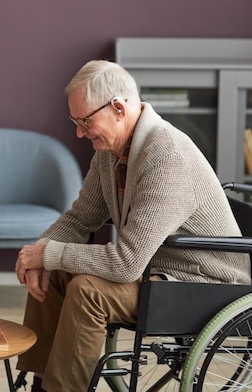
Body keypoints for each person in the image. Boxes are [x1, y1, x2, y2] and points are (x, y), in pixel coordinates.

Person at [13, 60, 251, 392]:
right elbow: (80, 218)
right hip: (157, 270)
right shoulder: (109, 154)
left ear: (118, 108)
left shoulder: (168, 157)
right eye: (75, 121)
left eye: (85, 120)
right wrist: (42, 253)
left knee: (88, 292)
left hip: (202, 284)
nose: (79, 132)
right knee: (57, 273)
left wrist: (49, 254)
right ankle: (40, 382)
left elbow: (126, 263)